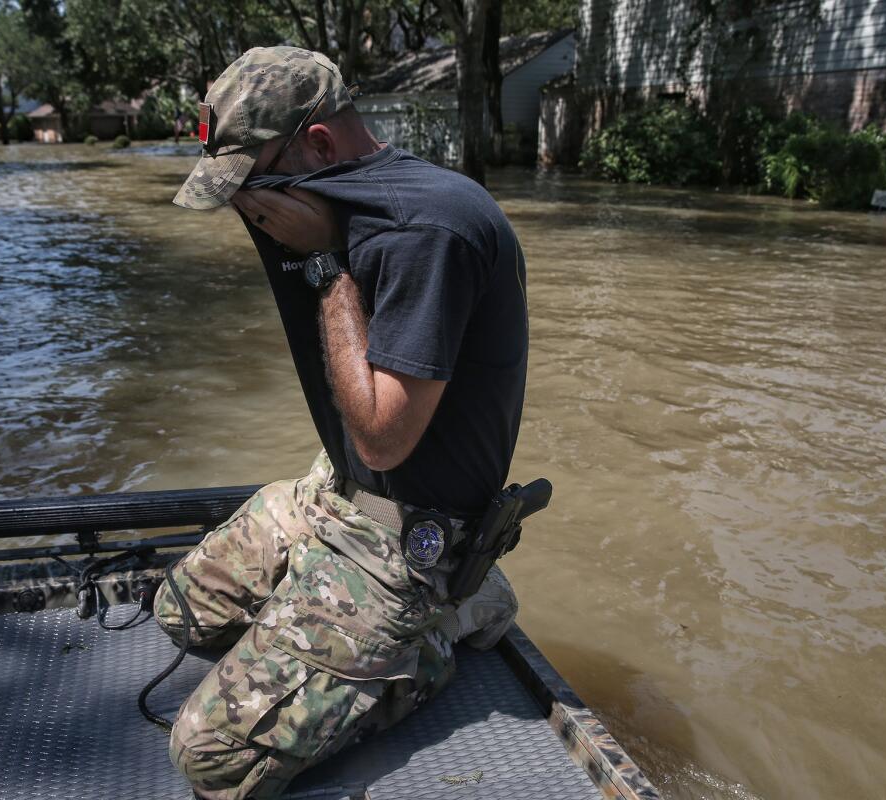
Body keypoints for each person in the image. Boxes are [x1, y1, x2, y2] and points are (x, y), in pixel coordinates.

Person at [157, 45, 529, 799]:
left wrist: (328, 263)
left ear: (320, 148)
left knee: (211, 758)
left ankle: (447, 620)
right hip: (335, 489)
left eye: (249, 189)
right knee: (180, 615)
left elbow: (383, 437)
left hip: (408, 539)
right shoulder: (315, 190)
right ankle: (333, 594)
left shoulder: (429, 230)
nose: (245, 210)